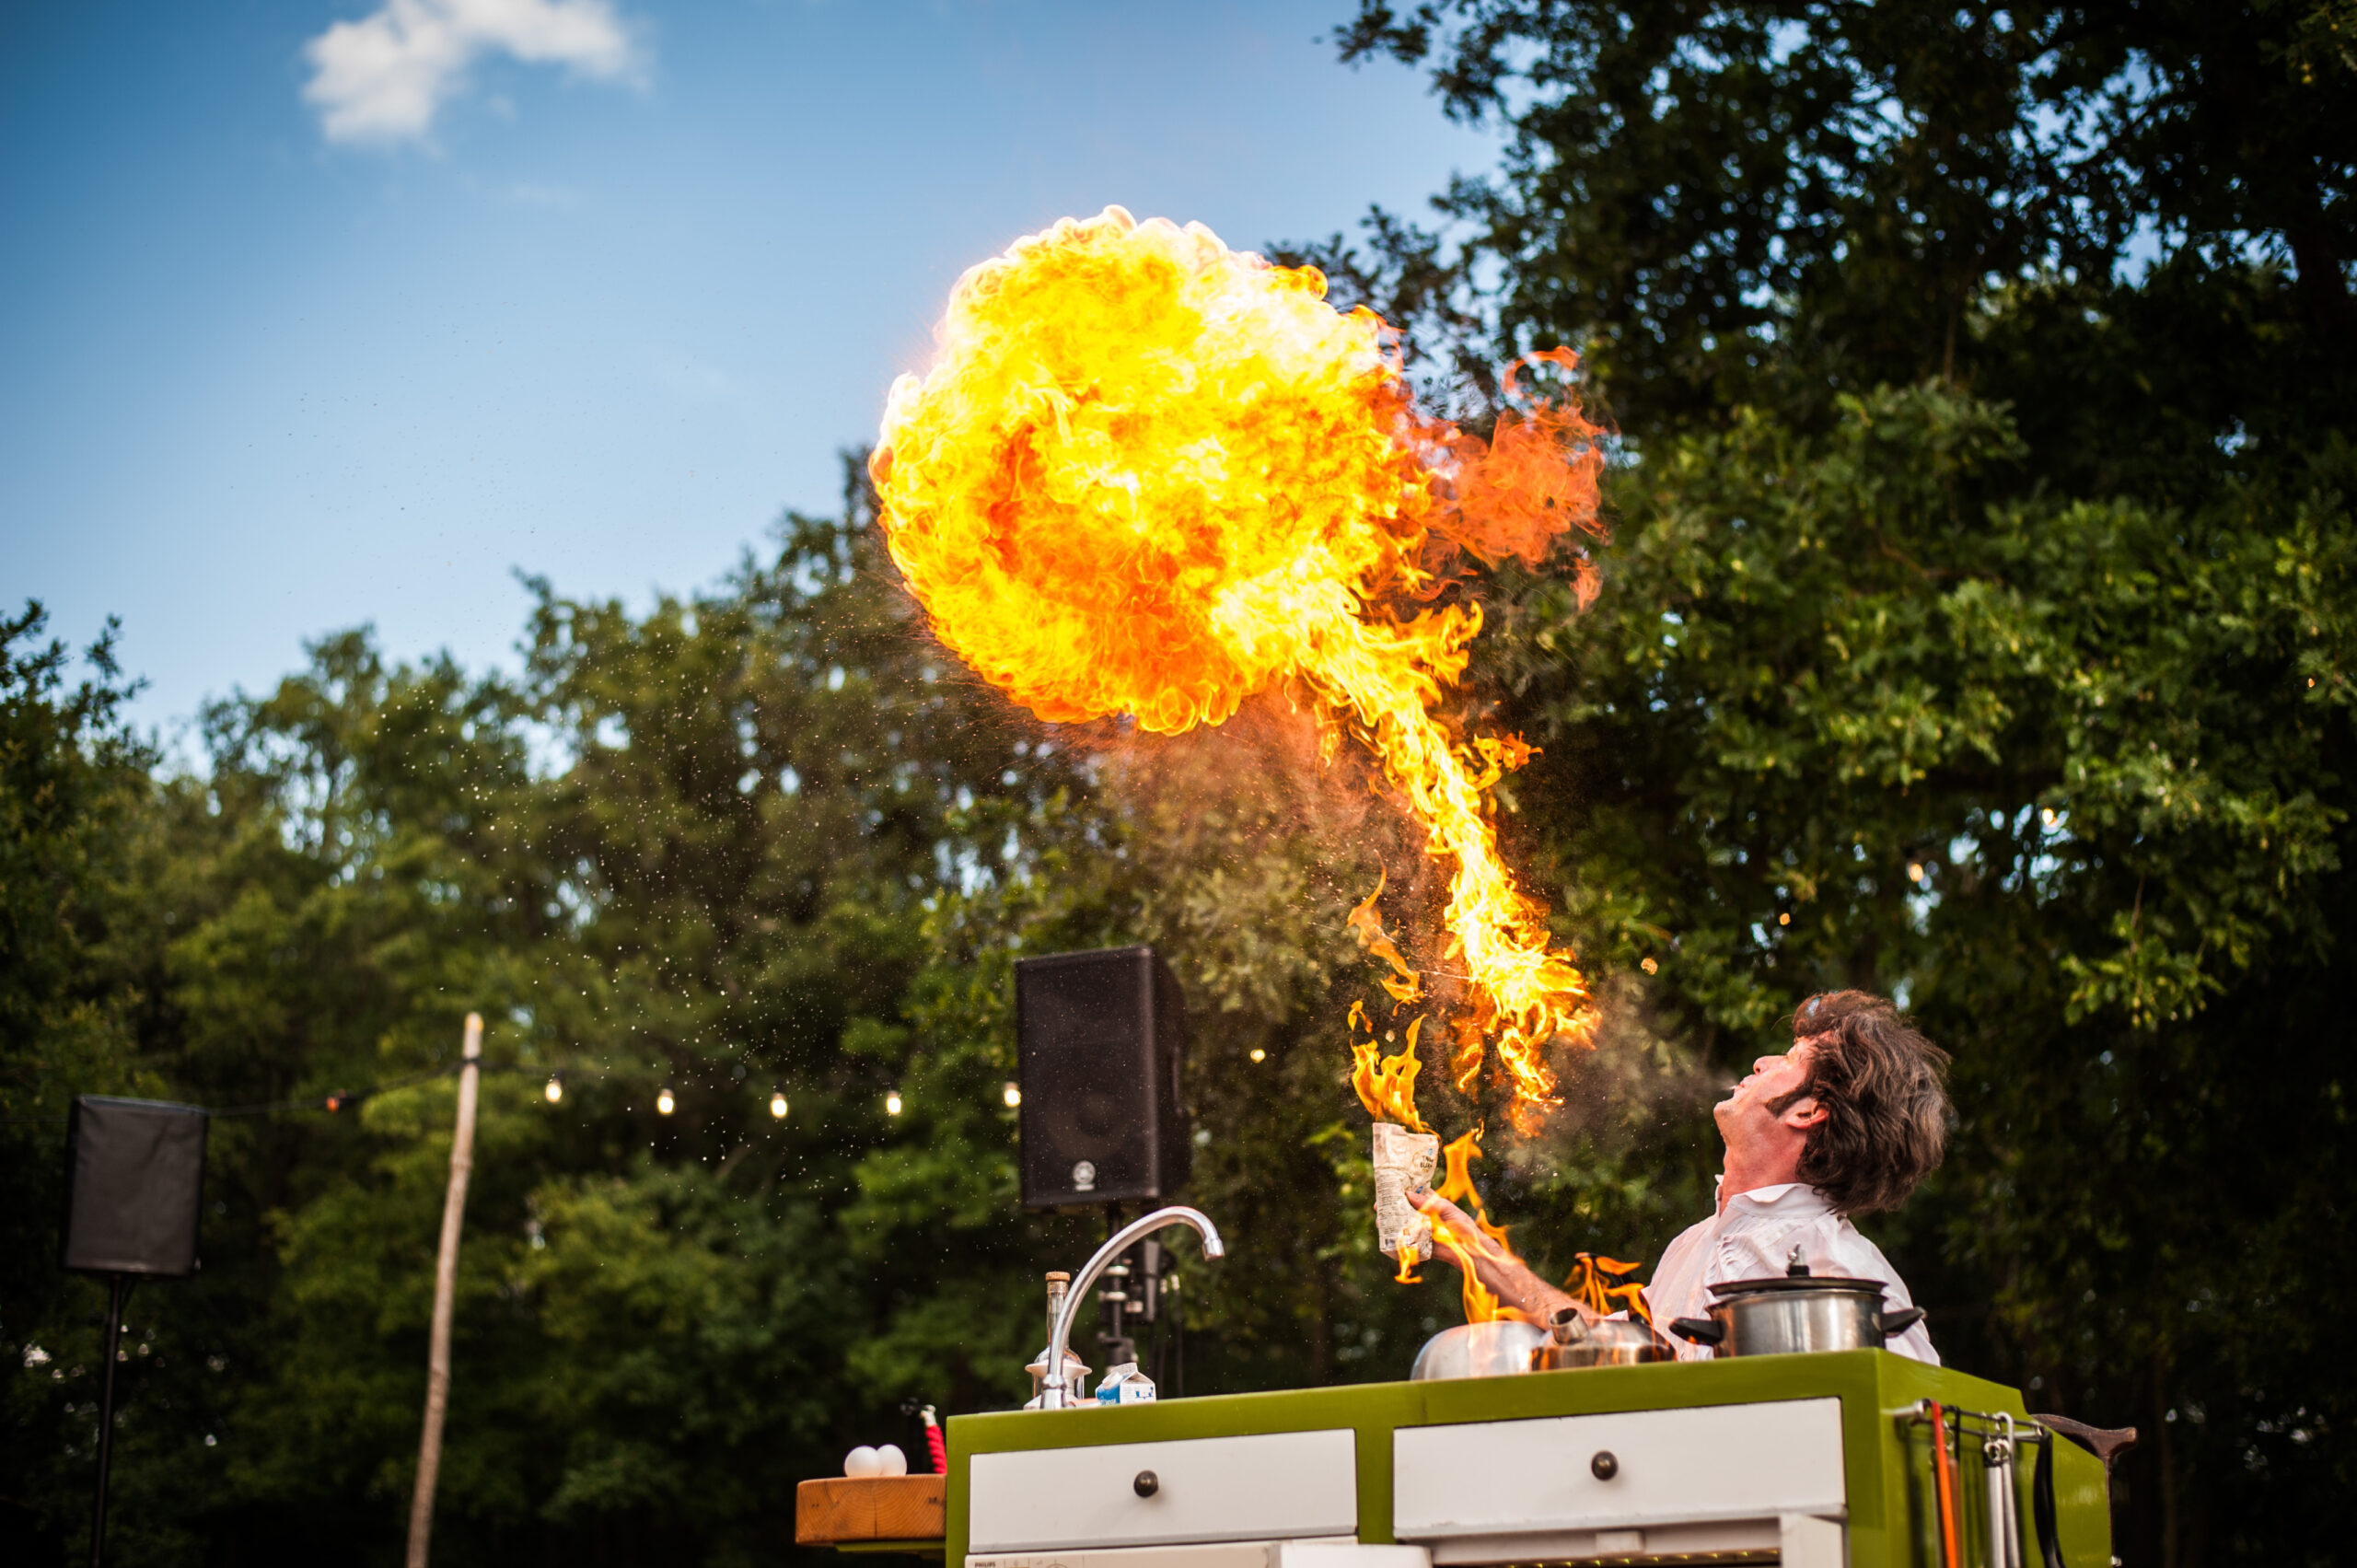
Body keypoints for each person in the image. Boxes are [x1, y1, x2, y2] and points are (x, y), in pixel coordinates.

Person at [1413, 990, 1951, 1363]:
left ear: (1808, 1111)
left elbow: (1919, 1417)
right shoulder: (1691, 1247)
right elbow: (1615, 1350)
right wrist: (1475, 1250)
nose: (1762, 1063)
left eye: (1789, 1059)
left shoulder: (1843, 1270)